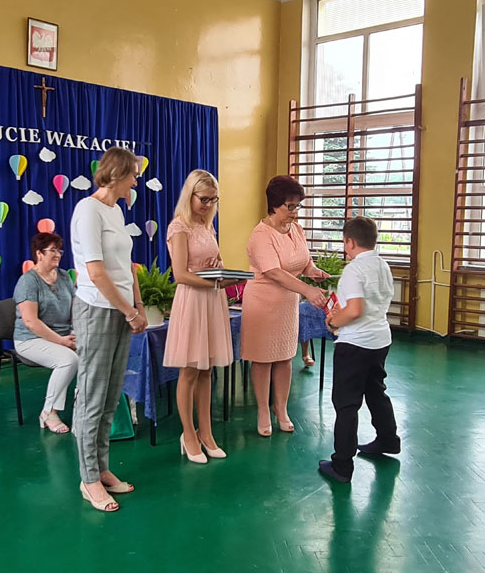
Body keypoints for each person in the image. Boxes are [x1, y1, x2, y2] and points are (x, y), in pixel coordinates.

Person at [70, 146, 147, 512]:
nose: (136, 182)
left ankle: (101, 468)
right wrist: (130, 312)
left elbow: (126, 267)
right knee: (92, 395)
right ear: (117, 174)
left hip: (121, 310)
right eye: (133, 175)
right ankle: (88, 479)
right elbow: (96, 273)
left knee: (111, 395)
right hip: (97, 310)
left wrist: (137, 306)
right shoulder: (88, 210)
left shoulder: (116, 210)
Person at [241, 175, 329, 437]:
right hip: (263, 304)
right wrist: (307, 290)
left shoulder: (297, 230)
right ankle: (263, 410)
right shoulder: (260, 235)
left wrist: (313, 272)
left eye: (297, 206)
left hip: (288, 304)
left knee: (284, 357)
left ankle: (281, 408)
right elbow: (274, 272)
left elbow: (304, 262)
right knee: (263, 359)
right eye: (290, 206)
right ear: (274, 205)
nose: (294, 212)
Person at [319, 216, 401, 483]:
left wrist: (334, 322)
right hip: (379, 339)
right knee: (376, 392)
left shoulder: (354, 270)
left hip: (355, 343)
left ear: (350, 242)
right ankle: (388, 440)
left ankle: (342, 466)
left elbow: (355, 310)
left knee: (346, 404)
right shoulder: (382, 265)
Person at [163, 170, 235, 464]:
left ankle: (206, 433)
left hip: (212, 300)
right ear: (190, 195)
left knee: (207, 370)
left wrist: (222, 270)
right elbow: (180, 274)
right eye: (203, 199)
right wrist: (214, 283)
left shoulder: (208, 226)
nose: (208, 205)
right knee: (190, 370)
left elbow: (213, 264)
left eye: (213, 200)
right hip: (193, 300)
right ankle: (188, 434)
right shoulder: (178, 227)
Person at [13, 232, 78, 434]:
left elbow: (75, 309)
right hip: (30, 339)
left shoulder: (64, 276)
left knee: (98, 351)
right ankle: (49, 412)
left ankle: (86, 406)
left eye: (59, 250)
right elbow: (31, 322)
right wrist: (61, 341)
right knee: (68, 361)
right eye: (52, 250)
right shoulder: (28, 281)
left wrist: (78, 333)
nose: (58, 254)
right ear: (39, 254)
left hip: (64, 336)